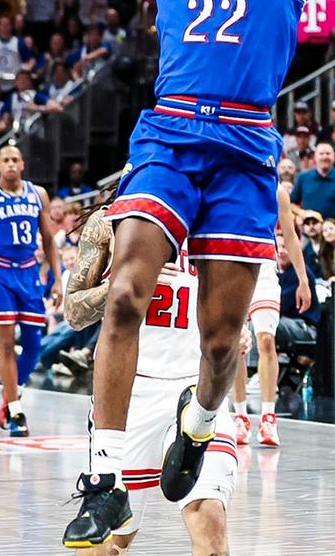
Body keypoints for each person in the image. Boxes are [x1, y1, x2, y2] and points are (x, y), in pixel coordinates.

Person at [66, 0, 318, 548]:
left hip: (246, 146)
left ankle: (203, 423)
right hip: (172, 129)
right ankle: (101, 479)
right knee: (127, 292)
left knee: (222, 347)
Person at [62, 199, 240, 556]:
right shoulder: (110, 219)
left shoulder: (218, 214)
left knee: (210, 517)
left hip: (196, 387)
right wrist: (131, 283)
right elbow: (73, 311)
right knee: (108, 542)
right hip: (130, 393)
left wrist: (238, 325)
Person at [0, 145, 61, 437]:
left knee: (34, 343)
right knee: (5, 344)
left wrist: (57, 278)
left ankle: (10, 395)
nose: (10, 164)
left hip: (29, 271)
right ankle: (17, 413)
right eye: (5, 160)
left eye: (15, 159)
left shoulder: (38, 194)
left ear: (23, 164)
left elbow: (49, 239)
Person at [230, 187, 310, 447]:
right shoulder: (231, 179)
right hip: (233, 263)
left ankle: (268, 417)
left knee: (266, 341)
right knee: (236, 345)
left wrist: (303, 280)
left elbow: (290, 236)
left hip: (264, 266)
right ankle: (240, 415)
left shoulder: (277, 191)